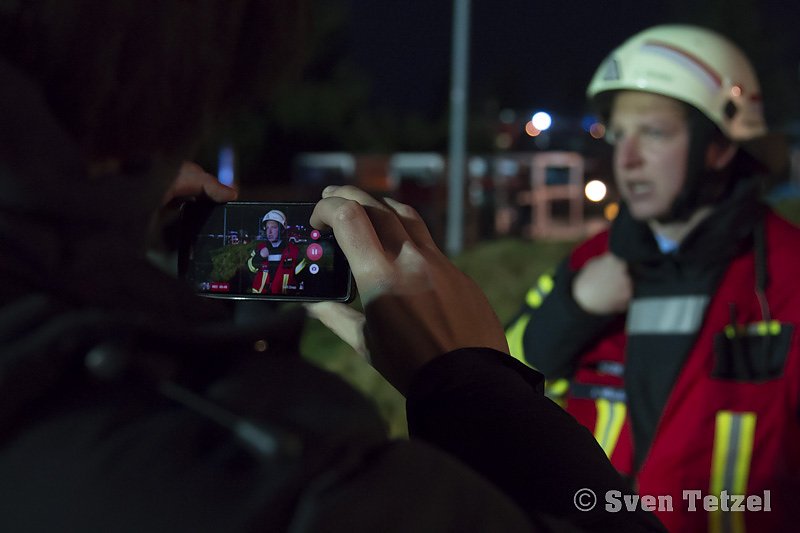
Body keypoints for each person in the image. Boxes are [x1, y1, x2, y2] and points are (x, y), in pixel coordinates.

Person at [0, 2, 665, 531]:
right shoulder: (296, 480)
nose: (630, 155)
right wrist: (475, 389)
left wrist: (95, 241)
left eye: (655, 132)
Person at [505, 24, 800, 531]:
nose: (627, 159)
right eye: (620, 135)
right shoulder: (588, 264)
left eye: (655, 133)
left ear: (718, 147)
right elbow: (497, 385)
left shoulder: (788, 276)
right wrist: (572, 309)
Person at [248, 209, 306, 294]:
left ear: (282, 229)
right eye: (267, 228)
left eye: (273, 227)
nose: (269, 232)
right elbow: (249, 269)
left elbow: (302, 279)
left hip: (283, 299)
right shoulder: (259, 248)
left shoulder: (295, 252)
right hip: (260, 298)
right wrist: (259, 256)